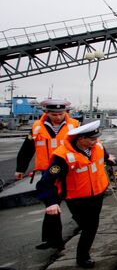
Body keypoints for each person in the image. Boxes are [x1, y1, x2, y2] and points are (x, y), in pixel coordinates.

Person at [36, 120, 116, 268]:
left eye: (96, 138)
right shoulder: (62, 157)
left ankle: (82, 253)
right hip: (77, 198)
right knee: (89, 226)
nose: (95, 141)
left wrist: (108, 157)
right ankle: (82, 257)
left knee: (91, 224)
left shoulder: (96, 145)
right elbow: (45, 182)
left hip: (97, 192)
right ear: (80, 139)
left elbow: (103, 154)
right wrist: (51, 202)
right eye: (92, 139)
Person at [16, 99, 80, 250]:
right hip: (49, 172)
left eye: (60, 113)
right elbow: (27, 149)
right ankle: (53, 240)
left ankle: (84, 226)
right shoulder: (37, 128)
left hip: (70, 170)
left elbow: (89, 143)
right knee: (52, 205)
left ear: (66, 112)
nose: (57, 117)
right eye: (54, 114)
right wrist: (20, 168)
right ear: (46, 113)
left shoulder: (75, 126)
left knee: (76, 203)